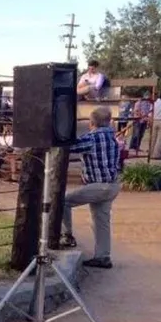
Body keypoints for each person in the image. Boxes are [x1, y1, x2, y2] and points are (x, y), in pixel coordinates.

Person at [59, 106, 121, 269]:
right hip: (113, 185)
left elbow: (68, 148)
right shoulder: (113, 137)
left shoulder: (91, 138)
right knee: (101, 221)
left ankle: (67, 236)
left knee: (63, 201)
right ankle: (103, 257)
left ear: (91, 122)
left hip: (98, 186)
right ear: (109, 121)